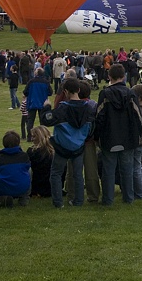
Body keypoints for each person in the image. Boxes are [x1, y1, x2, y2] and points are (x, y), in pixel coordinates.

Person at [42, 77, 96, 208]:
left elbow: (47, 120)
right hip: (78, 145)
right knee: (78, 175)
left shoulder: (63, 109)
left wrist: (46, 108)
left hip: (62, 146)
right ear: (78, 89)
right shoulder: (88, 108)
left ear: (65, 92)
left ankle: (58, 202)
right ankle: (78, 201)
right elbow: (92, 127)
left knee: (56, 173)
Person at [95, 65, 142, 206]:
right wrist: (139, 134)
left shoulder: (108, 94)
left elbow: (99, 118)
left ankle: (108, 199)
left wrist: (97, 135)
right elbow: (137, 117)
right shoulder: (129, 93)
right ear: (124, 76)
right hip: (127, 137)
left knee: (108, 170)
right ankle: (128, 197)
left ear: (109, 77)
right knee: (126, 169)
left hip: (110, 137)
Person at [0, 130, 31, 207]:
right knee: (29, 170)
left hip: (4, 188)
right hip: (21, 187)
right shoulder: (24, 156)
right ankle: (24, 198)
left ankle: (2, 197)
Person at [22, 68, 52, 142]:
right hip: (42, 103)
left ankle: (30, 137)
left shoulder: (31, 81)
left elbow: (25, 92)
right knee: (42, 121)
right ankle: (43, 136)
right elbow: (50, 92)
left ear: (36, 73)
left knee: (30, 121)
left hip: (32, 103)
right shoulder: (46, 82)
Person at [27, 125, 53, 198]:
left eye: (34, 136)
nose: (31, 139)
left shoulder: (32, 152)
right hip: (52, 187)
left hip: (37, 187)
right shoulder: (55, 152)